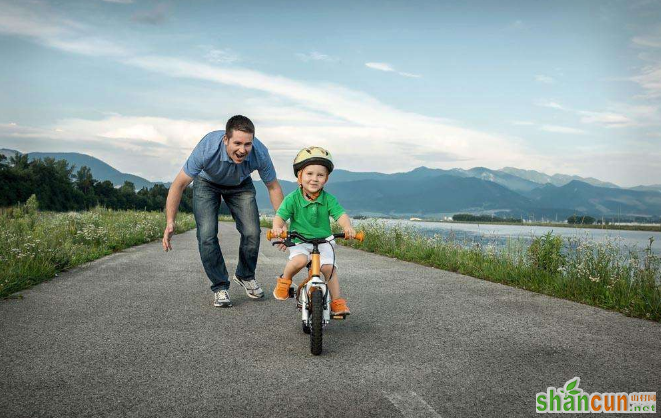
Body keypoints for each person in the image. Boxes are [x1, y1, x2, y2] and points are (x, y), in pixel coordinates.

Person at [162, 115, 284, 307]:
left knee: (252, 232)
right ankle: (220, 287)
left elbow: (273, 187)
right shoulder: (207, 148)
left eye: (247, 144)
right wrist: (170, 221)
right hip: (207, 183)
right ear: (225, 139)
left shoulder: (260, 152)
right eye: (237, 143)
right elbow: (179, 185)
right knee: (207, 234)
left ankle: (245, 275)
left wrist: (281, 223)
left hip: (240, 184)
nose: (242, 150)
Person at [269, 146, 355, 316]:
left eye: (320, 175)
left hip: (324, 241)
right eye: (309, 174)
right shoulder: (292, 198)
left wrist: (347, 227)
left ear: (326, 179)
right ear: (299, 176)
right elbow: (280, 216)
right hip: (300, 240)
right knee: (299, 260)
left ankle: (337, 301)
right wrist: (277, 228)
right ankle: (285, 281)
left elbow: (341, 215)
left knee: (329, 268)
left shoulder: (329, 199)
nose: (314, 179)